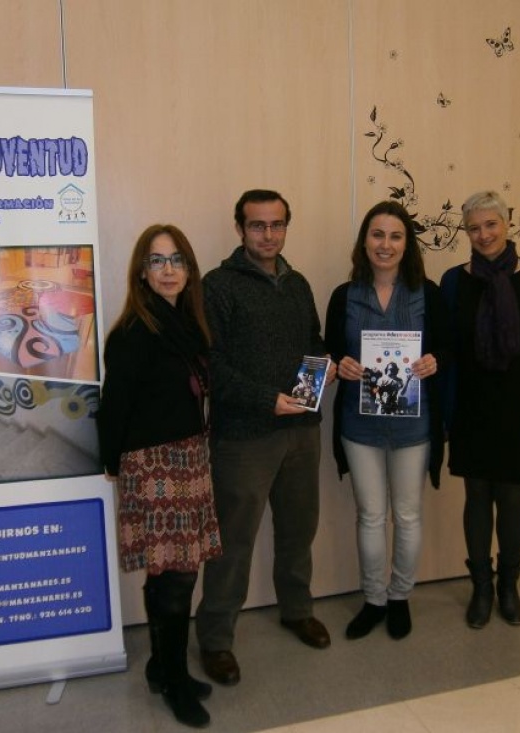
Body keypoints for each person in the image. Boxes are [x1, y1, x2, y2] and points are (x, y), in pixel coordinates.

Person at [195, 189, 336, 686]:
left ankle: (296, 609)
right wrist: (265, 399)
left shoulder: (297, 284)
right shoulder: (217, 286)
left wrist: (324, 368)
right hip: (245, 437)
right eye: (258, 226)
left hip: (301, 430)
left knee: (299, 529)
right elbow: (211, 365)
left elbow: (313, 343)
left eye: (277, 225)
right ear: (240, 229)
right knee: (233, 543)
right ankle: (215, 638)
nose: (268, 235)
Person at [96, 224, 221, 728]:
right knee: (175, 576)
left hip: (189, 458)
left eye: (176, 261)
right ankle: (172, 679)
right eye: (156, 261)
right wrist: (115, 467)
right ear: (141, 273)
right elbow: (114, 407)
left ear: (189, 270)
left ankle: (160, 665)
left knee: (171, 572)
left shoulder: (187, 325)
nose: (167, 270)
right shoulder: (132, 332)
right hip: (154, 467)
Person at [324, 200, 451, 641]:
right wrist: (341, 364)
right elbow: (327, 352)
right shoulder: (344, 295)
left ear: (407, 244)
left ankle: (399, 597)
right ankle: (373, 599)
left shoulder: (428, 293)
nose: (386, 244)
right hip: (359, 425)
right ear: (364, 241)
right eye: (377, 235)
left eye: (395, 236)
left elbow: (448, 350)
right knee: (371, 515)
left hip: (413, 426)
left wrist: (436, 362)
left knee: (409, 516)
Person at [439, 190, 520, 629]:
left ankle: (509, 585)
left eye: (490, 224)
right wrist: (445, 414)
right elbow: (447, 350)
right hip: (472, 407)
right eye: (474, 228)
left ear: (507, 223)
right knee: (476, 497)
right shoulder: (454, 280)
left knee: (512, 498)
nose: (483, 234)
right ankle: (481, 587)